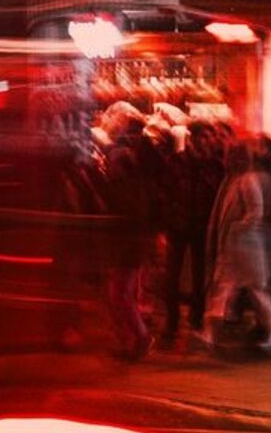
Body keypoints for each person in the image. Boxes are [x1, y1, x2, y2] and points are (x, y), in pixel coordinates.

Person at [198, 139, 271, 353]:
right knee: (232, 288)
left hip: (244, 245)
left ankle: (212, 332)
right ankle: (211, 332)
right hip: (239, 245)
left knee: (239, 287)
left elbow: (255, 212)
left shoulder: (245, 180)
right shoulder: (237, 179)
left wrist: (237, 229)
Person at [98, 103, 158, 360]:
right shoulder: (141, 173)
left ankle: (139, 336)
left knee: (120, 291)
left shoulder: (126, 182)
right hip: (134, 237)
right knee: (124, 290)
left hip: (127, 239)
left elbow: (123, 210)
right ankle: (130, 336)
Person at [161, 119, 224, 347]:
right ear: (193, 138)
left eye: (210, 137)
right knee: (172, 277)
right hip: (178, 225)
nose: (207, 142)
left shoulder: (215, 166)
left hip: (201, 226)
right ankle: (171, 323)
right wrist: (169, 217)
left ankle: (196, 319)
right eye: (204, 137)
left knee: (200, 277)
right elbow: (165, 192)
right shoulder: (176, 162)